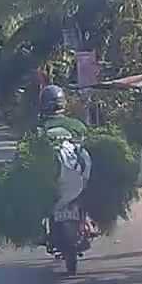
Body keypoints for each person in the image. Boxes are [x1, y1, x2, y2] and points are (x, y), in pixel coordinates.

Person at [38, 85, 99, 241]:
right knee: (88, 187)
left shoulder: (38, 128)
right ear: (63, 103)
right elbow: (90, 144)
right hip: (79, 178)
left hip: (51, 181)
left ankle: (38, 228)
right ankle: (88, 220)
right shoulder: (76, 125)